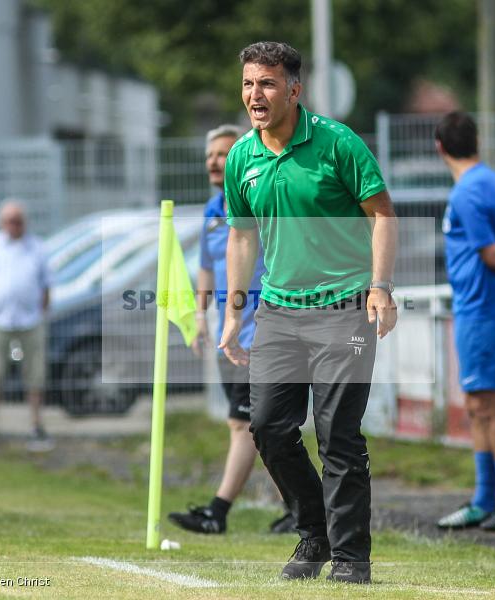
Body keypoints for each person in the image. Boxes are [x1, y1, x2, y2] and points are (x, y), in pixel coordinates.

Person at [219, 41, 397, 584]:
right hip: (278, 312)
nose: (256, 94)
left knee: (337, 434)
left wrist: (380, 287)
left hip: (345, 308)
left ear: (294, 90)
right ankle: (314, 532)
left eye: (267, 83)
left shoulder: (337, 143)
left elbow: (383, 215)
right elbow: (241, 238)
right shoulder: (242, 157)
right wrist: (233, 313)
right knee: (269, 427)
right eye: (249, 83)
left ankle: (350, 559)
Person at [168, 124, 295, 536]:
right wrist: (201, 315)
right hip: (228, 335)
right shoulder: (211, 210)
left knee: (247, 424)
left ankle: (217, 512)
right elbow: (207, 266)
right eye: (210, 155)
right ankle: (300, 507)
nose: (214, 162)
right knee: (258, 427)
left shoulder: (258, 203)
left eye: (223, 154)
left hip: (259, 334)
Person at [434, 112, 495, 532]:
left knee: (490, 405)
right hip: (487, 307)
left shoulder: (467, 192)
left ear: (440, 147)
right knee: (477, 404)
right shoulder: (494, 182)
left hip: (482, 306)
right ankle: (483, 500)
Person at [0, 200, 53, 452]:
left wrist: (41, 312)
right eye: (9, 221)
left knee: (34, 376)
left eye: (18, 221)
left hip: (29, 321)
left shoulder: (37, 248)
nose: (14, 226)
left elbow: (46, 285)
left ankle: (36, 427)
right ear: (1, 223)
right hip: (0, 322)